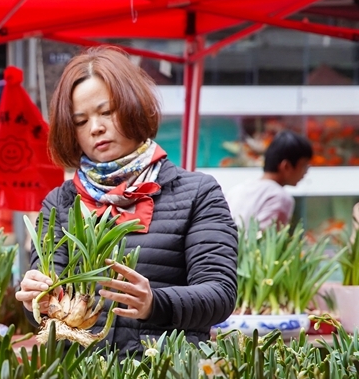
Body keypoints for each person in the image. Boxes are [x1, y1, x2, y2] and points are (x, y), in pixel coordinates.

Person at [15, 46, 238, 356]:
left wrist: (154, 303)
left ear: (133, 106)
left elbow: (220, 293)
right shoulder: (60, 203)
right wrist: (35, 300)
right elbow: (46, 302)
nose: (96, 128)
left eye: (107, 112)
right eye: (80, 121)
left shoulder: (197, 193)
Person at [225, 130, 313, 229]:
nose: (306, 173)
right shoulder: (280, 197)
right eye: (304, 166)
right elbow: (265, 240)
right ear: (286, 166)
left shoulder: (238, 189)